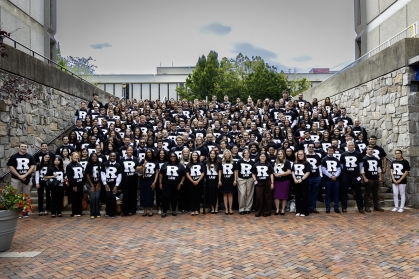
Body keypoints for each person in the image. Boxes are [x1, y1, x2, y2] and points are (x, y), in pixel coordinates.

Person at [7, 143, 36, 218]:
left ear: (27, 148)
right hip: (16, 179)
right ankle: (17, 211)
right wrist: (19, 175)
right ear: (19, 147)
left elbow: (32, 166)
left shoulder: (30, 156)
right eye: (22, 146)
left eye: (25, 147)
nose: (24, 148)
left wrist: (25, 175)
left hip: (27, 179)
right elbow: (10, 167)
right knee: (15, 195)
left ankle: (25, 211)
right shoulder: (14, 156)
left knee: (26, 195)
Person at [340, 141, 365, 214]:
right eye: (349, 145)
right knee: (344, 191)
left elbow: (360, 164)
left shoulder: (359, 154)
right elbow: (341, 165)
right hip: (346, 175)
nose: (350, 146)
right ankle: (344, 207)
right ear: (347, 146)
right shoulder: (343, 154)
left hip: (355, 175)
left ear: (354, 146)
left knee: (358, 191)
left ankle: (360, 207)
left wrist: (358, 172)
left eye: (352, 145)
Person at [159, 151, 186, 218]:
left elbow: (183, 175)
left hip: (176, 184)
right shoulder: (165, 164)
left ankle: (174, 210)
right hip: (166, 184)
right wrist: (160, 183)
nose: (173, 158)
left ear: (176, 157)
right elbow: (161, 174)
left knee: (174, 198)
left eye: (174, 156)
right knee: (165, 198)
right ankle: (164, 211)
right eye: (171, 156)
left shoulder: (180, 165)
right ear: (169, 157)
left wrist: (181, 183)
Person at [361, 145, 383, 213]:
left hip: (375, 177)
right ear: (366, 150)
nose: (371, 150)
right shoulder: (364, 158)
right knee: (367, 193)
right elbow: (362, 169)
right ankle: (366, 206)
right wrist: (364, 178)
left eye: (371, 149)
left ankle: (376, 206)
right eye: (369, 149)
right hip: (368, 178)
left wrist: (380, 176)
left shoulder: (376, 159)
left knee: (376, 193)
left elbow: (378, 168)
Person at [252, 152, 274, 217]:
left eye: (264, 156)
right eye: (261, 156)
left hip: (267, 182)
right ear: (259, 157)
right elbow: (253, 173)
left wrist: (272, 183)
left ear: (266, 157)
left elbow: (271, 174)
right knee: (259, 197)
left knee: (267, 197)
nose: (262, 158)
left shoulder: (269, 165)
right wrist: (255, 179)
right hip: (259, 182)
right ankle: (258, 211)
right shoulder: (255, 164)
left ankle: (266, 211)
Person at [100, 152, 122, 218]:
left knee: (112, 197)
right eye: (111, 156)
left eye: (114, 156)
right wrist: (105, 183)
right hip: (107, 183)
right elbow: (102, 174)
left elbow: (119, 176)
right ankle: (107, 212)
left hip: (114, 183)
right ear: (109, 157)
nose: (112, 158)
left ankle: (113, 213)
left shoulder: (118, 165)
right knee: (108, 197)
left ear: (116, 157)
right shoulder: (105, 164)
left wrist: (116, 185)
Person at [138, 149, 159, 216]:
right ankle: (144, 211)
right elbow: (137, 169)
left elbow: (157, 173)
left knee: (150, 196)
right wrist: (143, 165)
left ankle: (151, 211)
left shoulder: (155, 161)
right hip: (143, 180)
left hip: (151, 180)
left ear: (152, 153)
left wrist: (155, 182)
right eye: (147, 152)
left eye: (150, 152)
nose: (148, 153)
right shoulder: (143, 160)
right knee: (143, 196)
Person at [321, 147, 342, 213]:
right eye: (329, 150)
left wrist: (335, 176)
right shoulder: (324, 159)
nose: (330, 152)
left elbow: (339, 168)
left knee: (336, 194)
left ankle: (336, 207)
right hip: (327, 179)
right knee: (328, 194)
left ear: (333, 151)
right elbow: (323, 169)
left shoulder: (336, 159)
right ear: (327, 151)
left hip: (336, 179)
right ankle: (328, 208)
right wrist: (330, 176)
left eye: (332, 151)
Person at [292, 150, 311, 217]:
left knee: (304, 197)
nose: (300, 155)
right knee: (297, 197)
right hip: (296, 182)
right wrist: (294, 179)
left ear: (304, 155)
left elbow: (308, 172)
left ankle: (304, 211)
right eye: (299, 154)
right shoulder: (295, 162)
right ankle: (298, 211)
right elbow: (293, 171)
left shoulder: (306, 163)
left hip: (304, 182)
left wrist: (301, 179)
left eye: (301, 154)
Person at [66, 152, 86, 217]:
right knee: (74, 198)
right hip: (74, 185)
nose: (76, 157)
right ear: (71, 157)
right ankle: (74, 212)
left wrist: (82, 183)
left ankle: (79, 212)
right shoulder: (69, 166)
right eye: (75, 156)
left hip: (80, 184)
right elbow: (69, 176)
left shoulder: (80, 165)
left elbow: (83, 174)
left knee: (79, 198)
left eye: (77, 156)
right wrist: (74, 185)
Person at [186, 151, 205, 216]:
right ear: (191, 156)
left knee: (198, 196)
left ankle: (197, 209)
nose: (194, 156)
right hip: (191, 182)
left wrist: (197, 181)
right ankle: (192, 209)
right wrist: (192, 181)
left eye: (196, 155)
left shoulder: (201, 164)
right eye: (193, 155)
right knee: (191, 196)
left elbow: (203, 173)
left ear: (198, 156)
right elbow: (187, 174)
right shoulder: (188, 164)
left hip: (199, 182)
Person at [218, 150, 237, 215]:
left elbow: (235, 171)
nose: (227, 155)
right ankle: (226, 209)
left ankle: (230, 208)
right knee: (225, 194)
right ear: (224, 155)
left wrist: (235, 180)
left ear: (230, 155)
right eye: (225, 154)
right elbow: (220, 171)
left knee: (230, 194)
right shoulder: (221, 162)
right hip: (224, 179)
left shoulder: (233, 162)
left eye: (228, 154)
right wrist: (219, 180)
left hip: (231, 179)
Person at [236, 149, 255, 215]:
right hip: (241, 179)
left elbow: (253, 171)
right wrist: (237, 178)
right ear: (243, 154)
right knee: (242, 193)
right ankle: (241, 208)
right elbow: (237, 170)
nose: (246, 154)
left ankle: (248, 208)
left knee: (249, 194)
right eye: (245, 153)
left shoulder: (252, 162)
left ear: (249, 154)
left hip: (250, 179)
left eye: (248, 153)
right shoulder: (240, 161)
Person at [273, 150, 292, 215]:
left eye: (281, 154)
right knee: (276, 196)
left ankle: (283, 210)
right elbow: (272, 170)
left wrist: (280, 174)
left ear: (284, 155)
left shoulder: (287, 162)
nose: (280, 155)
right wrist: (274, 174)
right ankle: (277, 209)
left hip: (285, 181)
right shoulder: (275, 162)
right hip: (276, 181)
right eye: (279, 154)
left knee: (284, 196)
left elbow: (289, 172)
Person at [306, 143, 322, 214]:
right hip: (308, 177)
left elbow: (319, 166)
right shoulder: (305, 156)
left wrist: (320, 176)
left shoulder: (317, 156)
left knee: (315, 193)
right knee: (308, 193)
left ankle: (313, 207)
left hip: (316, 177)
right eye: (310, 147)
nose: (311, 148)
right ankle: (309, 207)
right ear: (307, 147)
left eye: (312, 147)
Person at [85, 153, 102, 218]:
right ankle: (92, 213)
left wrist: (99, 183)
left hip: (98, 183)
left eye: (96, 157)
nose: (94, 158)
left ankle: (97, 212)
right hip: (90, 183)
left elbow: (102, 174)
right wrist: (92, 185)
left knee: (97, 197)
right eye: (93, 157)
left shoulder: (100, 164)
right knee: (92, 198)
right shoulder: (89, 164)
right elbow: (87, 175)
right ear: (91, 157)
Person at [205, 150, 219, 214]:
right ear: (209, 154)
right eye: (211, 153)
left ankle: (216, 208)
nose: (212, 155)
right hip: (208, 180)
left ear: (216, 155)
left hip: (216, 180)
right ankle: (212, 208)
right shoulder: (206, 162)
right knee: (210, 194)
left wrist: (219, 181)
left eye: (214, 154)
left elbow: (220, 172)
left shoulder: (218, 162)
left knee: (216, 194)